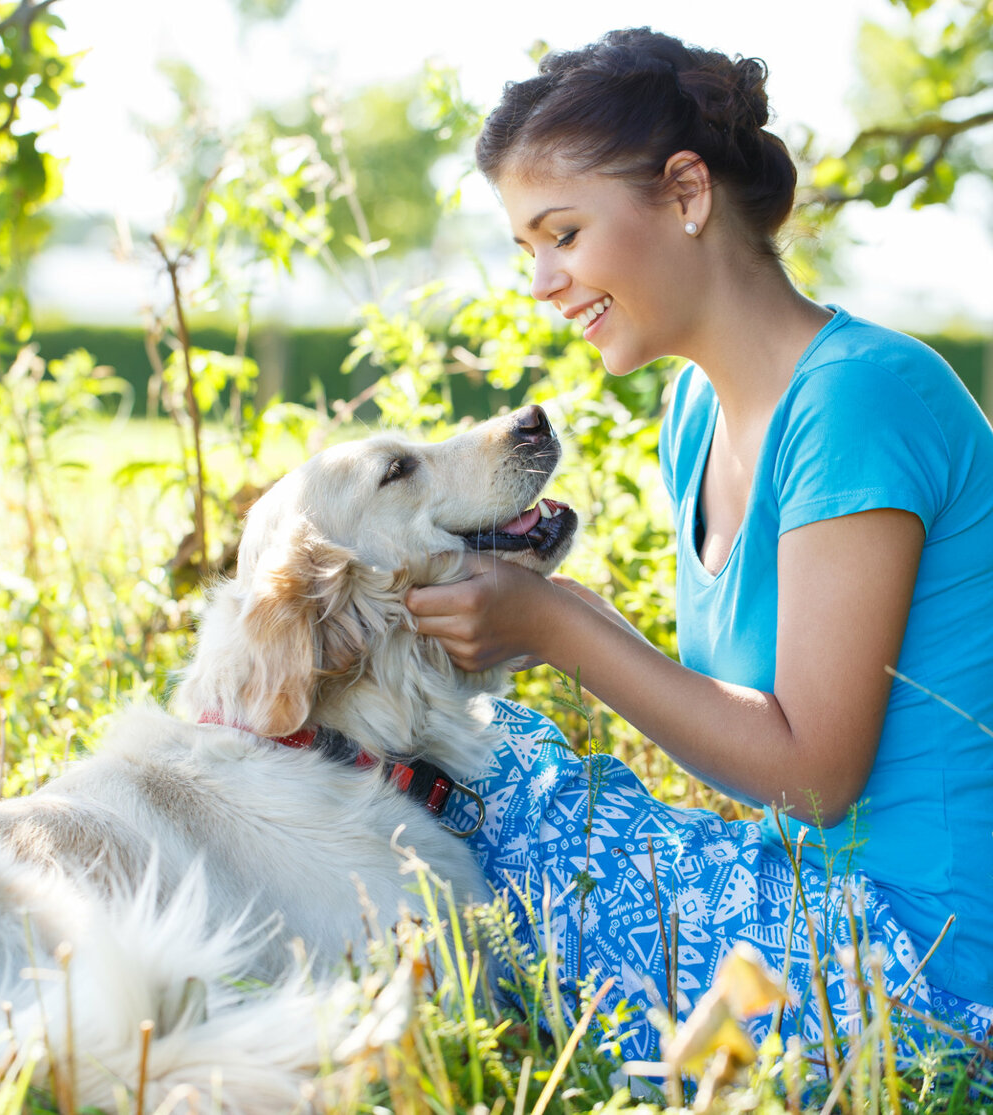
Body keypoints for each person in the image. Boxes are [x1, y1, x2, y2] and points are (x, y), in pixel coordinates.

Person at [408, 27, 993, 1063]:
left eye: (564, 232)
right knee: (469, 766)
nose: (542, 281)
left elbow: (811, 772)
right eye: (526, 248)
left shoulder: (858, 397)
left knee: (472, 794)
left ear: (685, 192)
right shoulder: (695, 410)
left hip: (921, 963)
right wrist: (563, 613)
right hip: (807, 900)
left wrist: (551, 623)